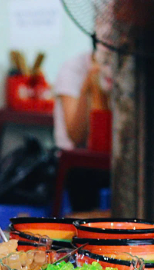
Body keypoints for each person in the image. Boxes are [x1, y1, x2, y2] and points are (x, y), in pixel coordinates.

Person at [53, 49, 112, 211]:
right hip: (75, 162)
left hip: (109, 159)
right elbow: (76, 137)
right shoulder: (74, 69)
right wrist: (89, 89)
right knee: (83, 175)